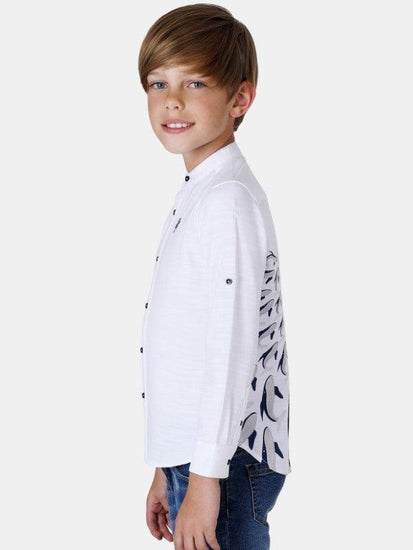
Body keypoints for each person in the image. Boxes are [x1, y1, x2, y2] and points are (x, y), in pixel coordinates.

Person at [137, 4, 292, 549]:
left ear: (240, 99)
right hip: (200, 456)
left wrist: (204, 477)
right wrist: (167, 465)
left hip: (225, 461)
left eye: (196, 82)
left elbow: (230, 347)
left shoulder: (226, 201)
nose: (172, 101)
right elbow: (188, 339)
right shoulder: (203, 190)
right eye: (159, 83)